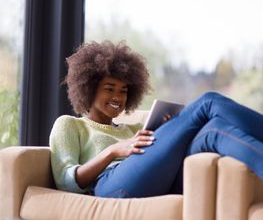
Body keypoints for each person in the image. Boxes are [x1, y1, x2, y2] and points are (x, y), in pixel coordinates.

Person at [49, 40, 263, 198]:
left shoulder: (133, 129)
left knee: (213, 130)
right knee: (208, 102)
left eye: (123, 91)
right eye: (109, 89)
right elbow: (65, 182)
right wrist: (113, 151)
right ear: (88, 89)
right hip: (108, 186)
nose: (117, 97)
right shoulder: (70, 125)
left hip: (156, 181)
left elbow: (152, 160)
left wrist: (167, 130)